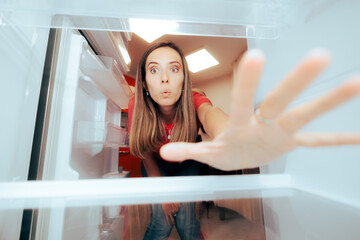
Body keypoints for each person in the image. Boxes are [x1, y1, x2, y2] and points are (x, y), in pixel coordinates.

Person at [128, 41, 360, 239]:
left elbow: (210, 114)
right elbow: (145, 153)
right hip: (155, 165)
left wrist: (231, 135)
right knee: (161, 222)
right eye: (155, 70)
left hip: (187, 163)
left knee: (186, 224)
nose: (165, 79)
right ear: (145, 82)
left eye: (174, 69)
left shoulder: (194, 99)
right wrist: (163, 196)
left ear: (184, 79)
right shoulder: (136, 106)